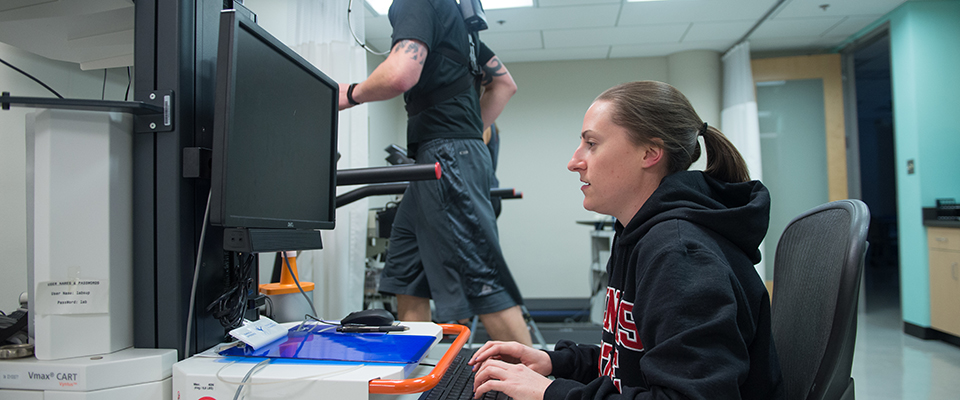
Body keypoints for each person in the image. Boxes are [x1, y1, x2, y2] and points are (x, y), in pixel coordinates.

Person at [469, 81, 784, 399]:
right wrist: (556, 362)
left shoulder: (680, 253)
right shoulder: (637, 234)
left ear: (649, 153)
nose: (575, 161)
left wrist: (554, 394)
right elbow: (632, 365)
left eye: (591, 144)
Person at [338, 0, 532, 345]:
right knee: (407, 275)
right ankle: (417, 380)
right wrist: (469, 131)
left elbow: (400, 73)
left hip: (446, 155)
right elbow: (505, 85)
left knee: (482, 277)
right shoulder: (462, 23)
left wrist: (350, 94)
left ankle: (535, 388)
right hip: (438, 157)